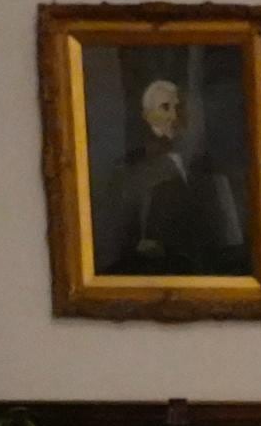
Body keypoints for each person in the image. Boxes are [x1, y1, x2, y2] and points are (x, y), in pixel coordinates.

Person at [99, 72, 245, 277]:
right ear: (147, 116)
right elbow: (115, 246)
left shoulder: (205, 167)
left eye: (179, 107)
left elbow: (227, 234)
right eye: (165, 107)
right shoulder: (129, 172)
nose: (174, 116)